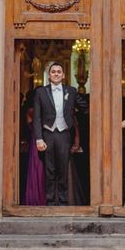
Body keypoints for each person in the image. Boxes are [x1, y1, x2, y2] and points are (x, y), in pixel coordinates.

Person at [33, 62, 88, 206]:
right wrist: (39, 138)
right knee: (50, 169)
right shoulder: (40, 92)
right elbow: (37, 117)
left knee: (63, 169)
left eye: (59, 71)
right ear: (49, 75)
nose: (56, 74)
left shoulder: (71, 91)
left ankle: (63, 202)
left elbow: (85, 107)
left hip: (64, 134)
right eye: (53, 72)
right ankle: (51, 201)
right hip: (48, 134)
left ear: (63, 75)